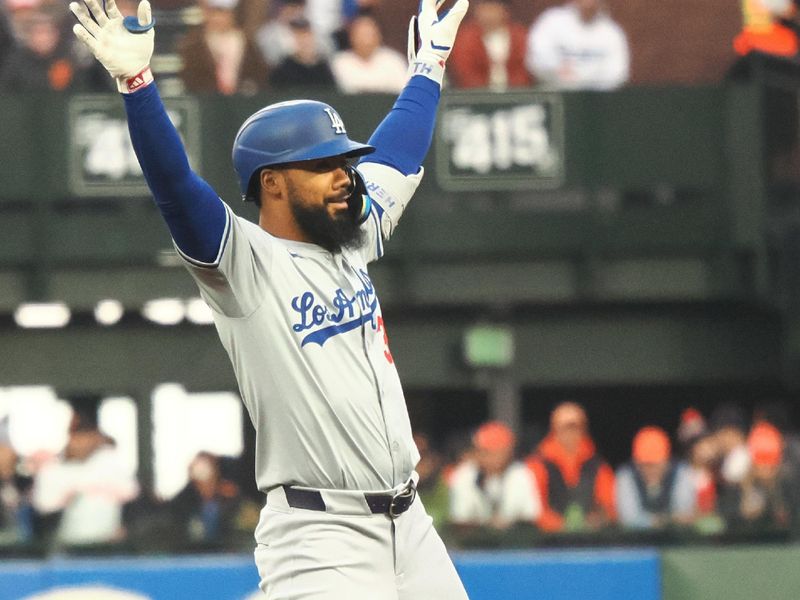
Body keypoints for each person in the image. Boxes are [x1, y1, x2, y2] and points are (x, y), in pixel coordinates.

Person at [69, 0, 469, 596]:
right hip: (320, 536)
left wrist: (429, 66)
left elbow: (398, 152)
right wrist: (138, 85)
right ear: (274, 182)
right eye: (324, 164)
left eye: (344, 162)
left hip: (412, 525)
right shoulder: (247, 266)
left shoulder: (351, 231)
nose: (345, 175)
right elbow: (178, 191)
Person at [30, 400, 139, 547]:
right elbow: (42, 512)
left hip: (109, 548)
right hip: (65, 549)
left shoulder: (109, 463)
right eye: (76, 435)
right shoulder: (53, 471)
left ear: (96, 436)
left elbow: (132, 494)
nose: (80, 441)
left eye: (85, 434)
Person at [527, 402, 616, 532]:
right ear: (554, 429)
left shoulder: (599, 467)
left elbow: (609, 507)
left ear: (584, 429)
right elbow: (534, 509)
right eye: (565, 428)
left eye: (576, 427)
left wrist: (598, 520)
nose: (570, 433)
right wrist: (562, 526)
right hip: (547, 543)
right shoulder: (537, 465)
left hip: (591, 541)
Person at [448, 421, 541, 529]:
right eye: (485, 451)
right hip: (474, 541)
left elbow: (530, 517)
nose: (490, 457)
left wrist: (506, 523)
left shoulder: (521, 474)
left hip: (512, 539)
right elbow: (459, 519)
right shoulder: (464, 475)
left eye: (496, 452)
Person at [525, 0, 629, 90]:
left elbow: (617, 74)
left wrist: (580, 79)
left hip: (598, 102)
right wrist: (556, 70)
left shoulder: (612, 32)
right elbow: (536, 59)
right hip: (554, 97)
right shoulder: (551, 21)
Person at [178, 0, 268, 95]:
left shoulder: (245, 42)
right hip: (207, 101)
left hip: (240, 101)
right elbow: (189, 75)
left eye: (223, 13)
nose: (219, 18)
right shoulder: (194, 44)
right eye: (215, 13)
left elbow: (259, 73)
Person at [615, 426, 696, 530]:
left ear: (667, 461)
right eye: (645, 465)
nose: (650, 470)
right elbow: (628, 518)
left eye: (655, 464)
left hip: (675, 540)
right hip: (637, 541)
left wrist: (668, 521)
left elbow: (684, 514)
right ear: (636, 463)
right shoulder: (626, 475)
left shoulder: (681, 472)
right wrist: (656, 522)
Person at [447, 0, 531, 90]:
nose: (489, 14)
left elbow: (527, 67)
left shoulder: (520, 35)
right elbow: (464, 71)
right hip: (473, 97)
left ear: (505, 11)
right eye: (485, 8)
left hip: (518, 95)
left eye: (493, 8)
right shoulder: (465, 37)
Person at [330, 13, 407, 94]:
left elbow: (404, 92)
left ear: (379, 36)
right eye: (361, 34)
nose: (366, 39)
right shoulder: (339, 63)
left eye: (369, 34)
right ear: (351, 37)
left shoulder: (394, 60)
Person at [270, 16, 336, 89]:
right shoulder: (283, 69)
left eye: (307, 35)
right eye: (299, 36)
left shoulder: (323, 67)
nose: (304, 41)